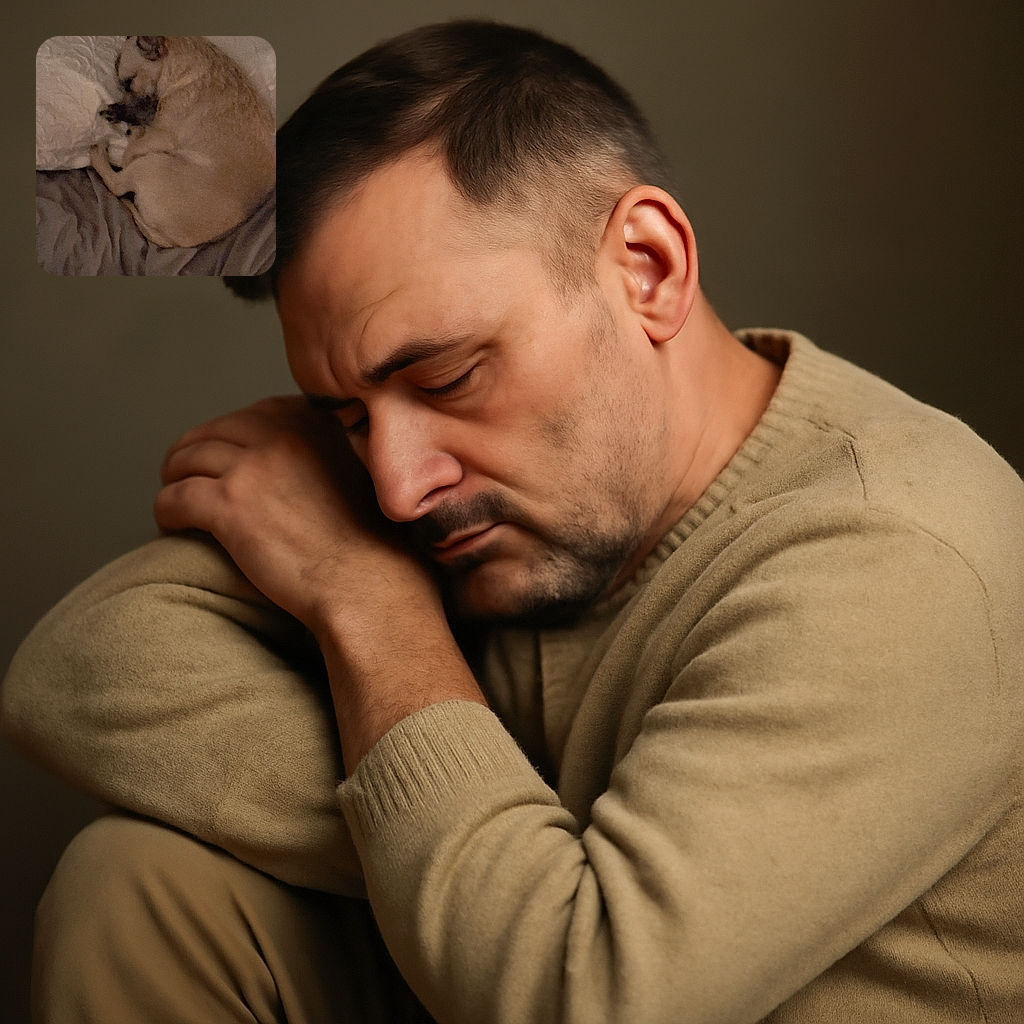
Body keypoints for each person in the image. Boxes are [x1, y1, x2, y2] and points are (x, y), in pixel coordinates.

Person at [3, 19, 1023, 1024]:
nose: (398, 486)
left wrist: (371, 610)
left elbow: (574, 995)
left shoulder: (899, 549)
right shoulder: (468, 497)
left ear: (648, 266)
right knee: (139, 885)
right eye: (347, 418)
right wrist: (494, 856)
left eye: (446, 375)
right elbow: (75, 672)